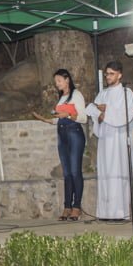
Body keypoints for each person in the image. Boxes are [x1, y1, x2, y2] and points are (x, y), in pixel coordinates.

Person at [32, 69, 87, 222]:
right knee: (67, 173)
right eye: (56, 82)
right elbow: (59, 118)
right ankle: (67, 206)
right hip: (62, 135)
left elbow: (83, 118)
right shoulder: (62, 97)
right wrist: (47, 120)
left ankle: (77, 207)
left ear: (67, 79)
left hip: (74, 134)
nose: (57, 84)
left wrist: (68, 115)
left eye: (59, 81)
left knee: (76, 172)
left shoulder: (76, 95)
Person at [85, 61, 133, 220]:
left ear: (119, 75)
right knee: (106, 173)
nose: (108, 76)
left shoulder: (127, 93)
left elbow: (126, 115)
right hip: (106, 139)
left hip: (119, 139)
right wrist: (99, 116)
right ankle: (106, 212)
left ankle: (121, 213)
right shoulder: (102, 94)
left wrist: (106, 111)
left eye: (111, 74)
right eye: (107, 74)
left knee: (119, 173)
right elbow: (95, 115)